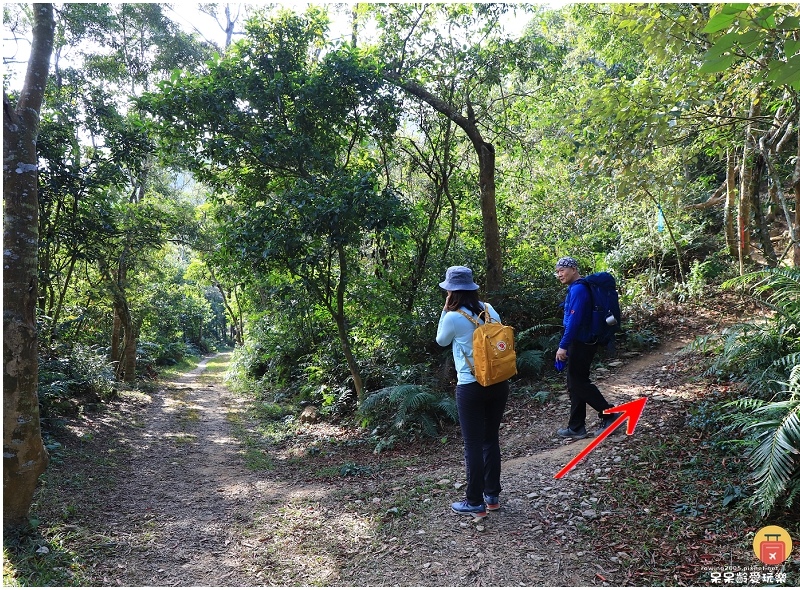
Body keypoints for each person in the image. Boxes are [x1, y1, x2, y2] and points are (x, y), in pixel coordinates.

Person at [435, 265, 510, 517]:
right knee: (491, 439)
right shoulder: (490, 309)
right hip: (499, 382)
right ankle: (492, 496)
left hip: (471, 386)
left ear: (451, 292)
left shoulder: (454, 317)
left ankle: (474, 501)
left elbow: (440, 341)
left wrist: (445, 310)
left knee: (472, 444)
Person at [554, 256, 621, 439]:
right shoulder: (576, 288)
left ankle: (609, 413)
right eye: (557, 271)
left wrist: (563, 346)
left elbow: (573, 322)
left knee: (578, 382)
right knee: (574, 382)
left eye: (562, 270)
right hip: (581, 341)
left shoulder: (579, 290)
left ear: (574, 269)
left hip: (582, 342)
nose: (559, 274)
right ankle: (576, 427)